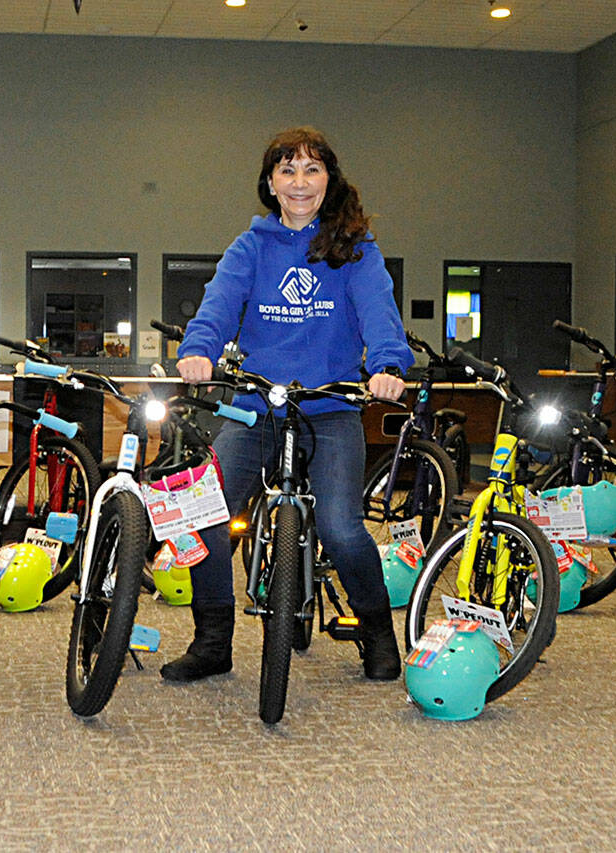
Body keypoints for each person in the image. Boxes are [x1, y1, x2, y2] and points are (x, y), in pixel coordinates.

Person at [162, 126, 413, 684]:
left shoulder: (355, 250)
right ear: (270, 183)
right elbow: (218, 307)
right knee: (207, 517)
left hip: (330, 408)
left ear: (329, 180)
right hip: (256, 408)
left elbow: (379, 314)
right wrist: (198, 352)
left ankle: (376, 632)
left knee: (343, 528)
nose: (300, 182)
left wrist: (389, 365)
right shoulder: (250, 248)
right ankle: (212, 642)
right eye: (287, 170)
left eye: (312, 170)